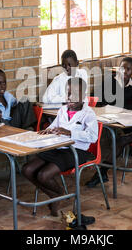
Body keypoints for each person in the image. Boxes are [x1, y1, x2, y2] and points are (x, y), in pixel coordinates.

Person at [22, 77, 98, 216]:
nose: (69, 97)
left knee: (43, 175)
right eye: (67, 93)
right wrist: (48, 130)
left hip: (76, 151)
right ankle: (55, 195)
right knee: (27, 169)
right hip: (57, 147)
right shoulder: (63, 109)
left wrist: (70, 132)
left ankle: (58, 193)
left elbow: (93, 137)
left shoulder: (89, 114)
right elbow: (55, 125)